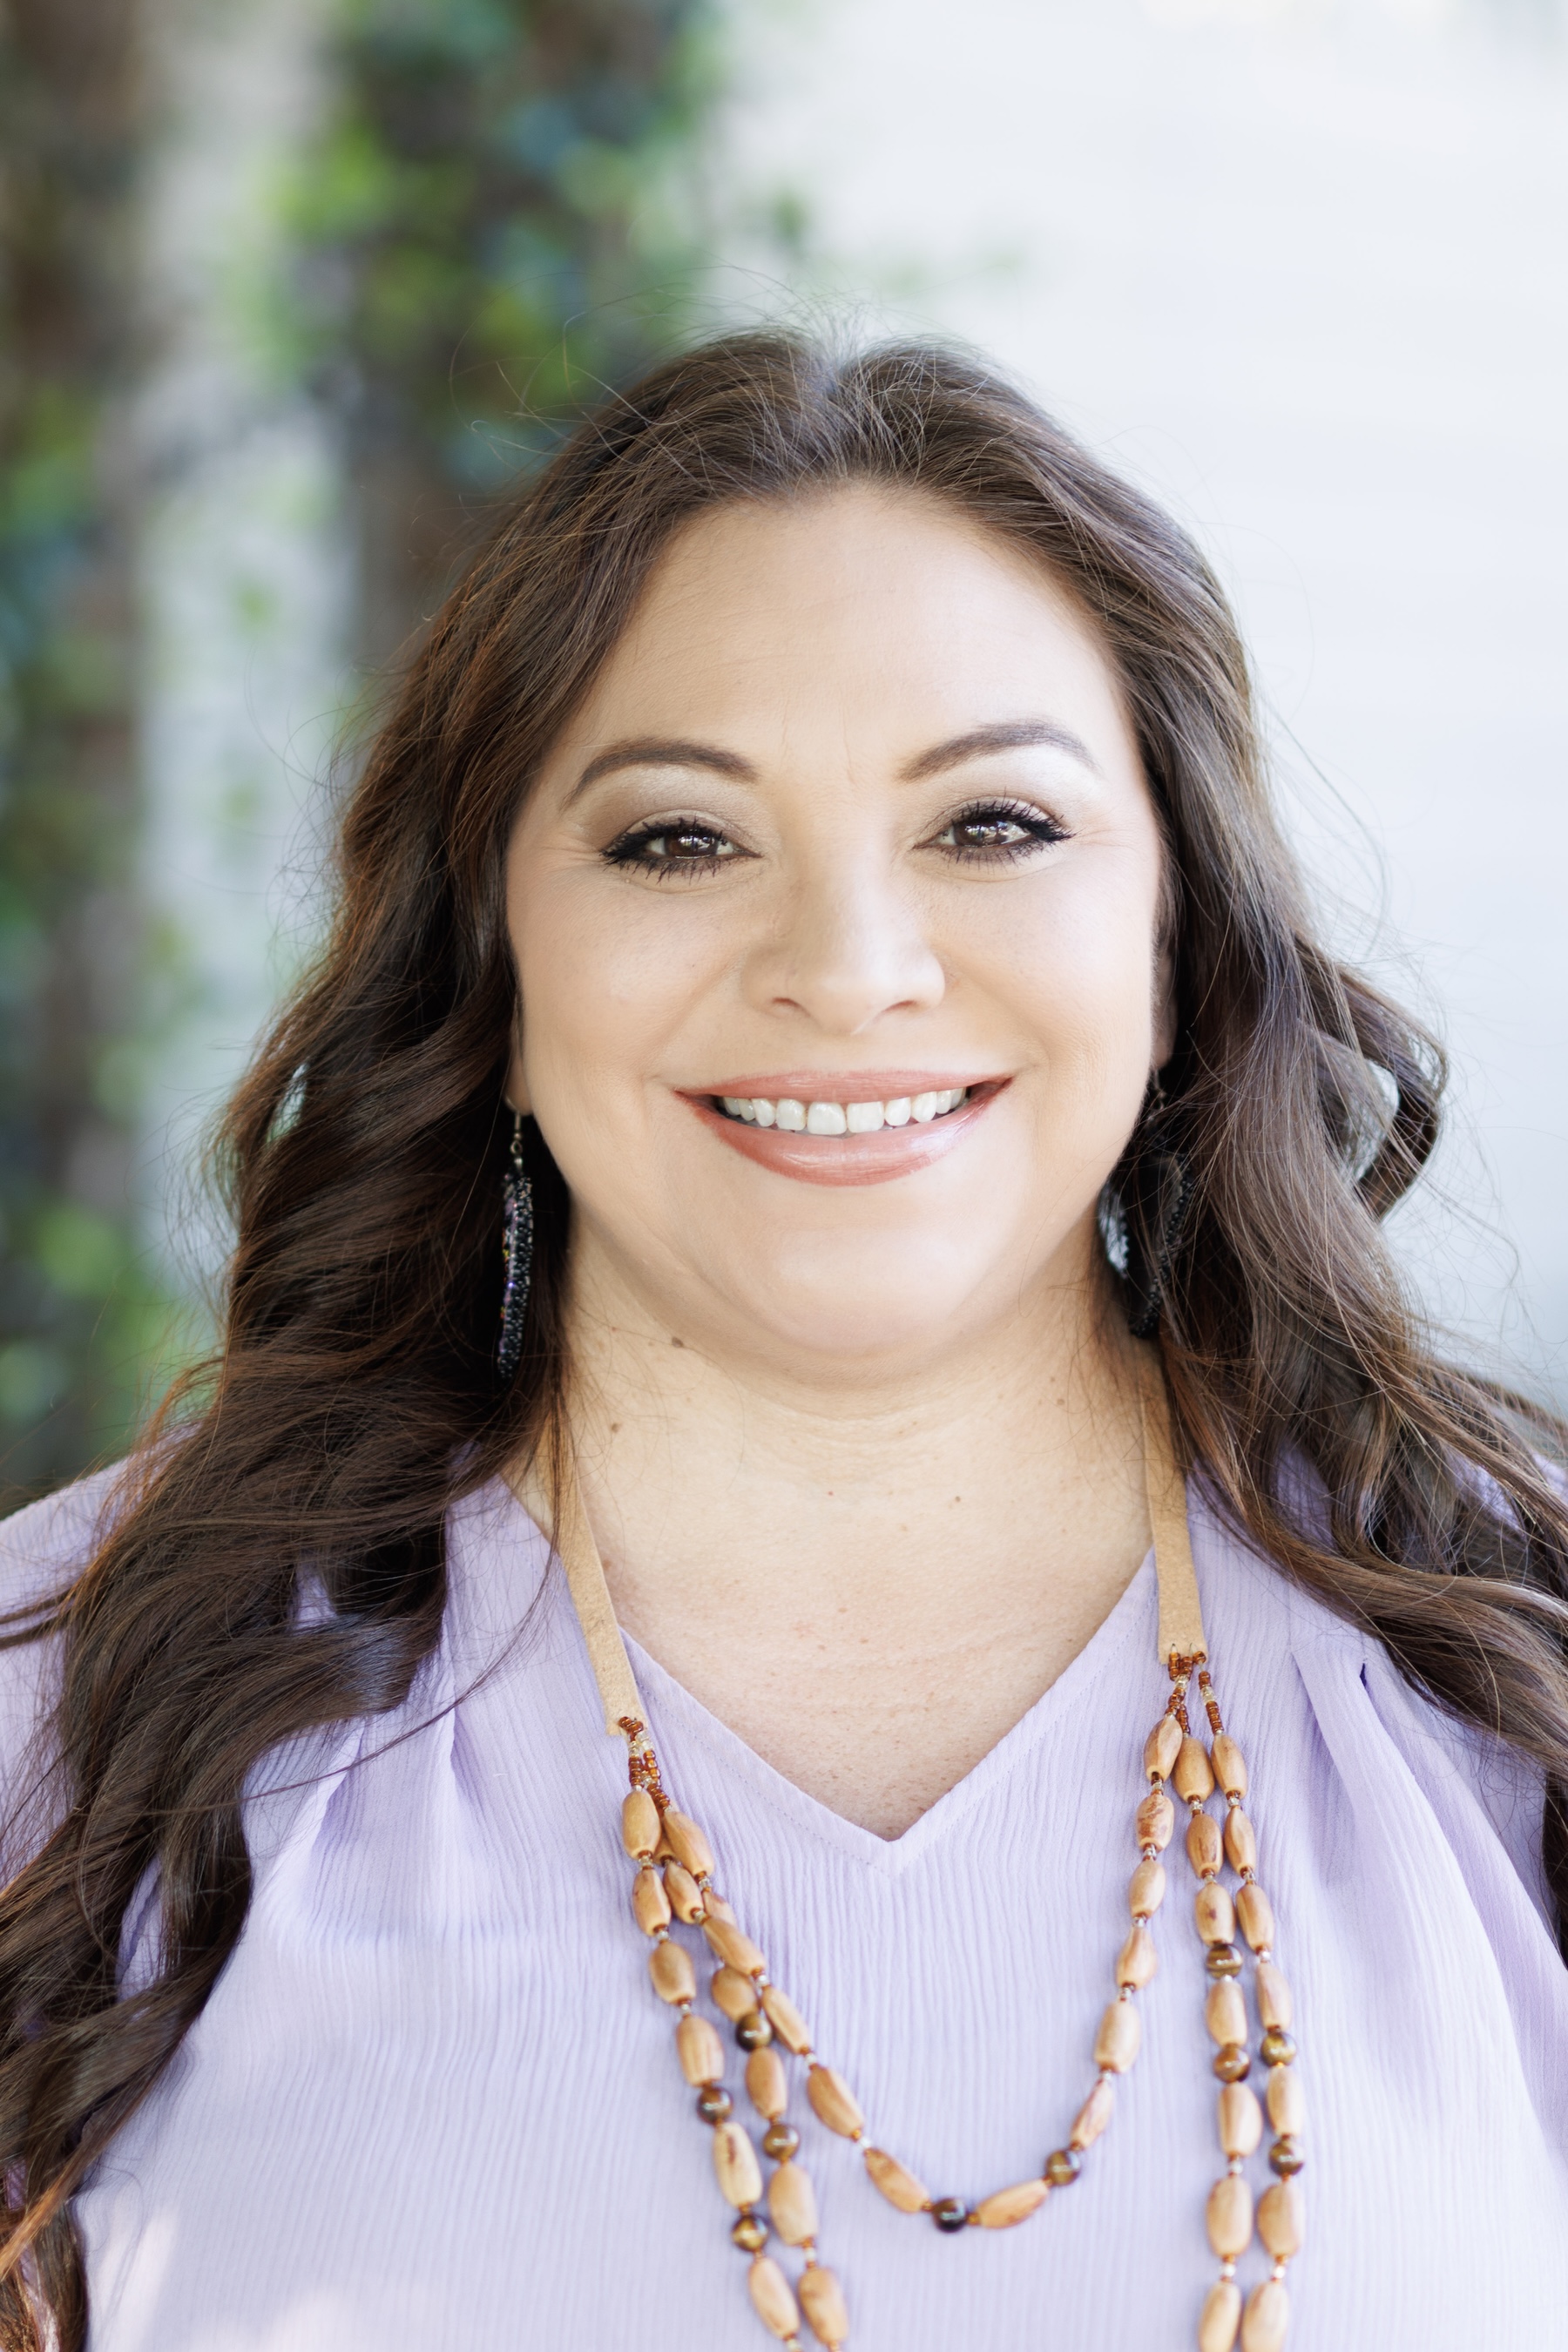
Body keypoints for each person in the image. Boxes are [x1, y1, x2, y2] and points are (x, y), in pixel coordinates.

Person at [1, 335, 1565, 2352]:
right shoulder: (73, 1701)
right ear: (489, 954)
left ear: (1180, 940)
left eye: (992, 825)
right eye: (677, 838)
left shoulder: (1515, 1660)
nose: (846, 970)